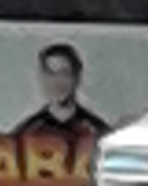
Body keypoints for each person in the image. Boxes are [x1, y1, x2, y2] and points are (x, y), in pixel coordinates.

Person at [11, 41, 108, 177]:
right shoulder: (25, 133)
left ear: (77, 77)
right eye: (51, 74)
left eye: (64, 73)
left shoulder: (99, 132)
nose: (57, 82)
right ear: (42, 78)